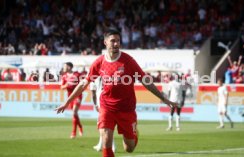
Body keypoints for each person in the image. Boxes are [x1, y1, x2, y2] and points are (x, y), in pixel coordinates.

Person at [55, 29, 176, 157]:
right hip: (107, 108)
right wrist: (67, 102)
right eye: (113, 41)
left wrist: (164, 98)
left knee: (129, 148)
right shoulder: (99, 62)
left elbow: (146, 81)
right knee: (106, 140)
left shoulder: (128, 61)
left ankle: (134, 134)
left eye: (118, 41)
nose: (116, 44)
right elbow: (83, 83)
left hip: (126, 109)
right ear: (105, 42)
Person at [90, 77, 116, 152]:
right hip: (111, 101)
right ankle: (100, 144)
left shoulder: (93, 78)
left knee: (104, 126)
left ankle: (112, 146)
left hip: (101, 103)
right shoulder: (109, 75)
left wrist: (95, 105)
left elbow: (93, 94)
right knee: (103, 125)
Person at [61, 62, 83, 138]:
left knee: (74, 112)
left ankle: (73, 132)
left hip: (77, 95)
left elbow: (82, 84)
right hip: (70, 97)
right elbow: (62, 87)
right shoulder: (64, 76)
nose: (63, 68)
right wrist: (67, 85)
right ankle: (80, 126)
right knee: (74, 114)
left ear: (69, 67)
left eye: (65, 66)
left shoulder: (77, 74)